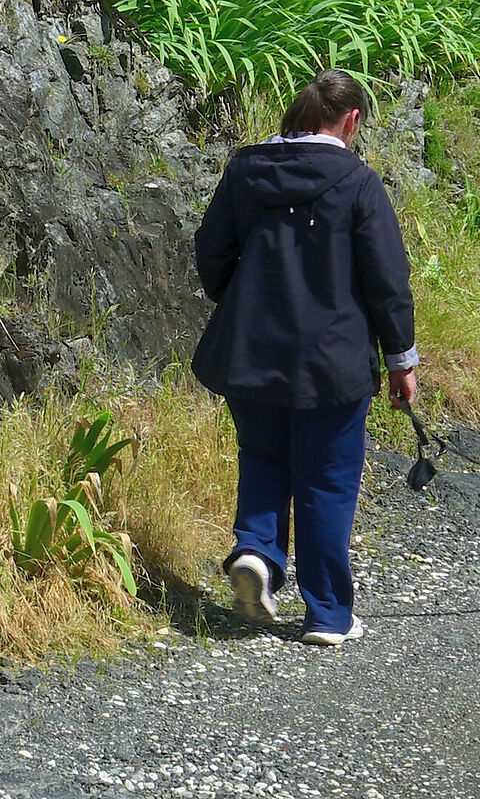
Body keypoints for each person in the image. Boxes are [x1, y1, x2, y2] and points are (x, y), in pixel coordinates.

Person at [190, 68, 417, 646]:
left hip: (251, 351)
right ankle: (328, 615)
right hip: (332, 360)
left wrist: (243, 301)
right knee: (327, 480)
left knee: (263, 456)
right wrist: (401, 359)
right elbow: (387, 280)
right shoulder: (358, 183)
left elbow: (210, 251)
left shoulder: (245, 170)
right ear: (351, 120)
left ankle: (258, 554)